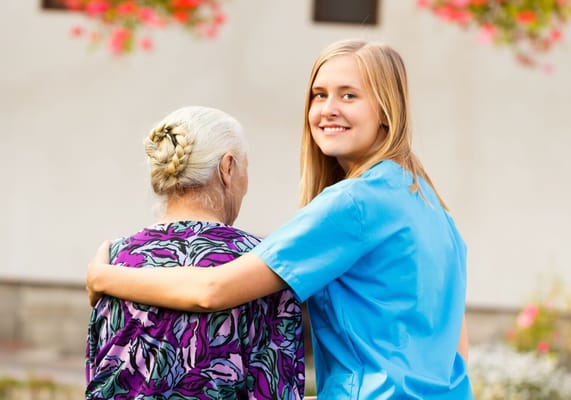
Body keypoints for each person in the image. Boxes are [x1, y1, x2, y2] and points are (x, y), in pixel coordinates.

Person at [87, 39, 472, 399]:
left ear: (387, 111)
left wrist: (105, 276)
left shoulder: (355, 203)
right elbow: (457, 345)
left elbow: (212, 291)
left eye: (349, 95)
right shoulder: (431, 206)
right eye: (319, 95)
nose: (327, 109)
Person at [85, 106, 305, 399]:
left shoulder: (113, 259)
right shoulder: (261, 266)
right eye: (245, 167)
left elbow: (98, 377)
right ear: (227, 168)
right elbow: (276, 387)